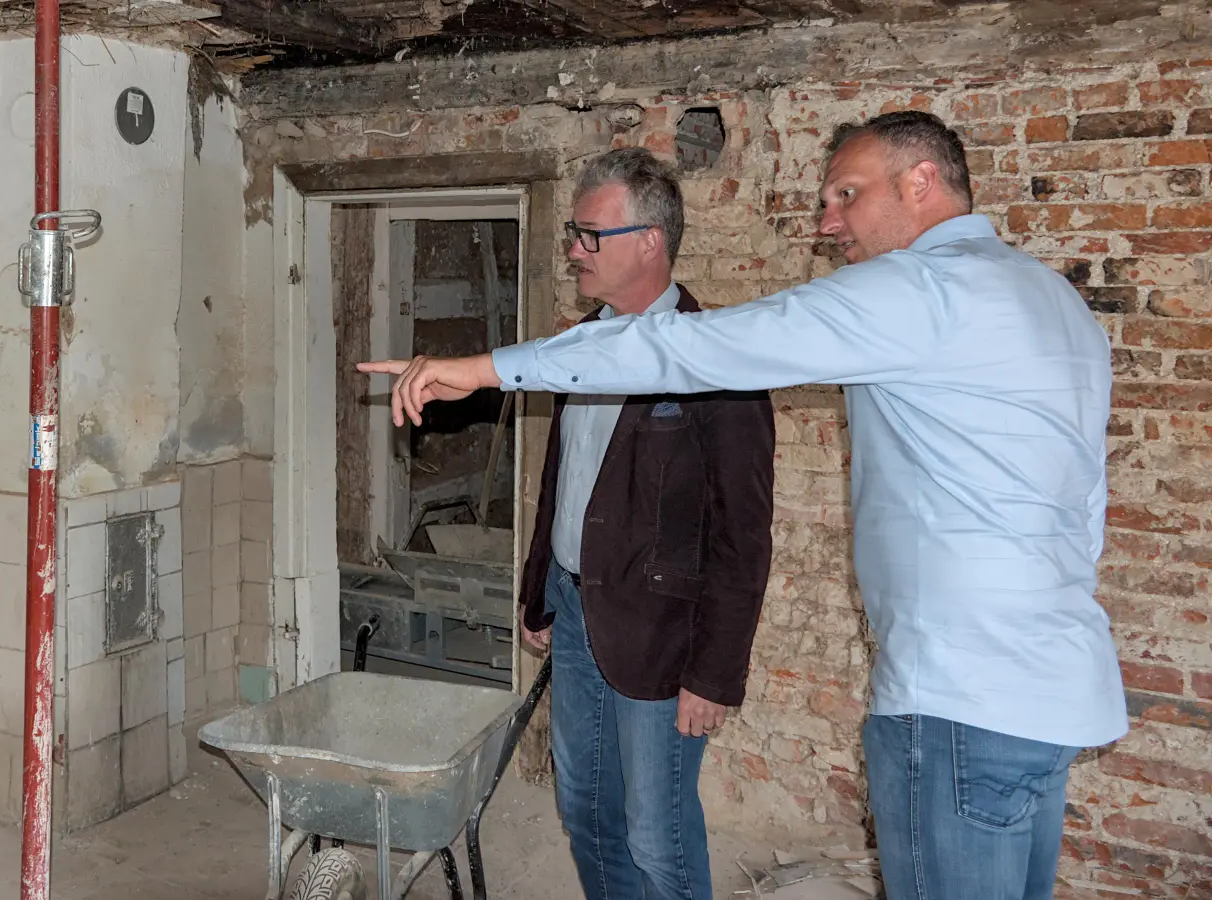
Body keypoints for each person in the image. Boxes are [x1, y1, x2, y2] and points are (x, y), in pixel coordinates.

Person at [358, 111, 1128, 900]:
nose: (829, 224)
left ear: (920, 183)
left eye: (847, 194)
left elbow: (700, 352)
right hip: (1049, 691)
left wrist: (483, 368)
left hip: (964, 695)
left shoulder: (920, 289)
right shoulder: (1052, 300)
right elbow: (1086, 503)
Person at [509, 148, 775, 900]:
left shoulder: (715, 359)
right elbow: (562, 479)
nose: (573, 250)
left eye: (591, 235)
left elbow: (743, 534)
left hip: (661, 634)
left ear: (650, 242)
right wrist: (541, 592)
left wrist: (715, 674)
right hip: (575, 608)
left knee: (655, 832)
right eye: (572, 233)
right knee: (586, 810)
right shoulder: (580, 344)